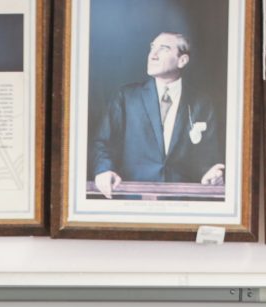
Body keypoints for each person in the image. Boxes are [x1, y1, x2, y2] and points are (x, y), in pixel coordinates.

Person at [90, 31, 227, 195]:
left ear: (182, 60)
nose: (152, 55)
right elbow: (103, 143)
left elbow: (208, 157)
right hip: (134, 198)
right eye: (152, 48)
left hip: (182, 200)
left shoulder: (202, 104)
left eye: (163, 49)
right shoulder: (126, 97)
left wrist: (211, 174)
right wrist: (104, 170)